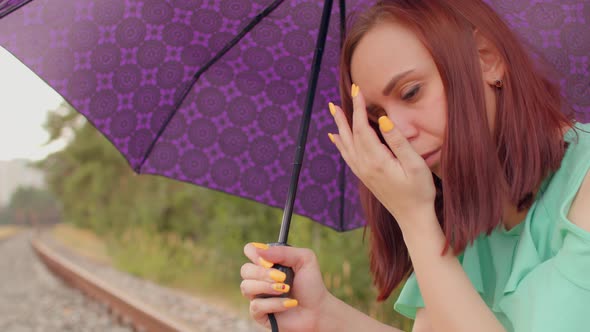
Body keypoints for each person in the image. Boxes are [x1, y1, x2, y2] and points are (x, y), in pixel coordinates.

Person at [240, 0, 590, 331]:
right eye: (379, 117)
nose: (399, 132)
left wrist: (414, 218)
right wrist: (321, 315)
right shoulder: (465, 217)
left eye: (411, 93)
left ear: (486, 59)